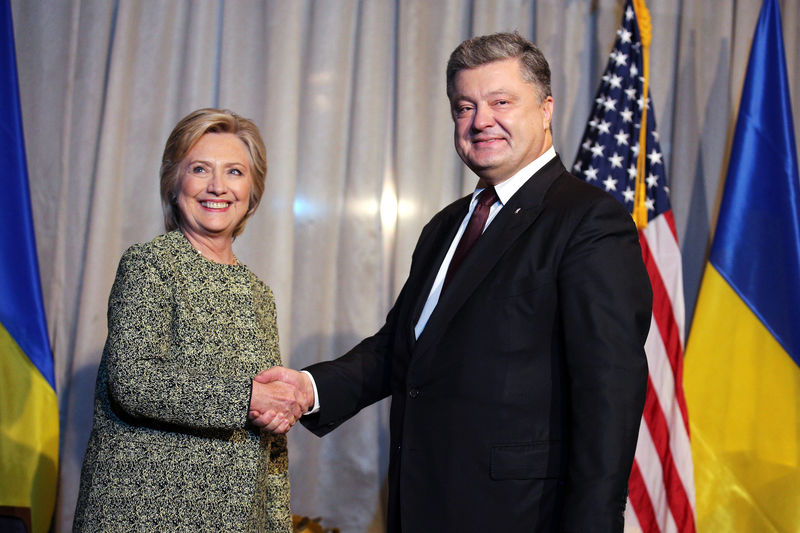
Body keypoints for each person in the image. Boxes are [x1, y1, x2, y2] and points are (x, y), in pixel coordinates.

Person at [254, 32, 652, 532]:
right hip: (422, 505)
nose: (480, 120)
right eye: (464, 107)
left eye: (500, 101)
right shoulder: (445, 226)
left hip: (522, 516)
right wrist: (307, 388)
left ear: (546, 109)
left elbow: (608, 388)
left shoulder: (588, 220)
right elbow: (401, 351)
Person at [73, 108, 304, 532]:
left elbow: (272, 436)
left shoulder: (259, 293)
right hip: (142, 516)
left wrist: (276, 525)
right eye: (200, 169)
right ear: (175, 183)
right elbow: (134, 382)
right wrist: (245, 399)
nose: (218, 186)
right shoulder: (150, 264)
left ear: (253, 191)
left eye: (235, 172)